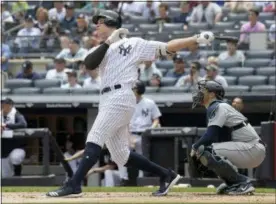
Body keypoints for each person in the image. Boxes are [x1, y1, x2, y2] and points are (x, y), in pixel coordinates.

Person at [46, 9, 214, 197]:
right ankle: (166, 175)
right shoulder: (100, 48)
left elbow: (167, 47)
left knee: (95, 137)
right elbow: (89, 64)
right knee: (120, 155)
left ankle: (74, 185)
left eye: (100, 22)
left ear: (110, 22)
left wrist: (195, 39)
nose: (96, 25)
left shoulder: (134, 44)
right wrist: (109, 42)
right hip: (107, 98)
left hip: (121, 95)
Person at [190, 80, 266, 195]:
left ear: (212, 94)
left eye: (203, 90)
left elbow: (210, 136)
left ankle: (242, 182)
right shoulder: (217, 107)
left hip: (252, 148)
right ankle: (232, 183)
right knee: (207, 150)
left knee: (205, 150)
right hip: (248, 149)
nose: (199, 93)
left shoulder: (219, 106)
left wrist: (195, 147)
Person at [128, 80, 161, 177]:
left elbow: (156, 120)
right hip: (130, 135)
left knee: (143, 159)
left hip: (144, 135)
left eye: (134, 88)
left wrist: (149, 131)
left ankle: (142, 179)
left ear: (139, 90)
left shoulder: (149, 103)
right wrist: (129, 138)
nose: (131, 90)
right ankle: (124, 178)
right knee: (121, 156)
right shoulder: (127, 104)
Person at [1, 98, 27, 178]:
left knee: (15, 158)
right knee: (5, 176)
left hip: (16, 147)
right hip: (3, 151)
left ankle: (18, 173)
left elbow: (23, 124)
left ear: (10, 106)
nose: (2, 106)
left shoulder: (16, 114)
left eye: (5, 104)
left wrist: (6, 125)